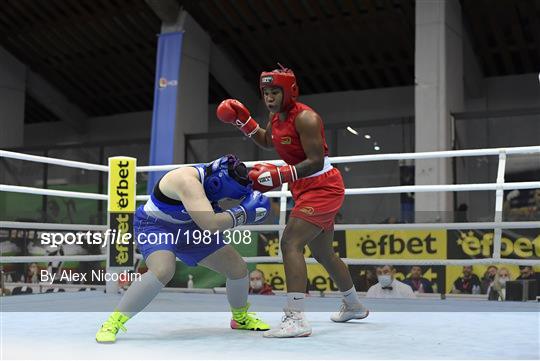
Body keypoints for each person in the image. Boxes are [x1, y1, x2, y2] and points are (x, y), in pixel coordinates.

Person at [217, 65, 368, 338]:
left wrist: (281, 174)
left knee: (290, 242)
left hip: (323, 187)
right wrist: (243, 121)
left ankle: (296, 317)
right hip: (303, 187)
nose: (270, 97)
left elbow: (315, 160)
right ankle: (353, 305)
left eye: (275, 91)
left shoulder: (307, 118)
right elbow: (267, 140)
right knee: (323, 253)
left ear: (290, 91)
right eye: (265, 92)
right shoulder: (276, 118)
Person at [95, 155, 271, 343]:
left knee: (237, 268)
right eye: (226, 196)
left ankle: (240, 318)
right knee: (163, 270)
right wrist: (243, 214)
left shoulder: (215, 178)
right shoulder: (187, 181)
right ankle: (112, 323)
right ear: (217, 185)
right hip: (155, 225)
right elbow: (210, 224)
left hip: (191, 226)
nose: (225, 200)